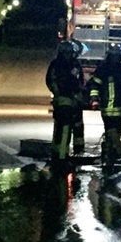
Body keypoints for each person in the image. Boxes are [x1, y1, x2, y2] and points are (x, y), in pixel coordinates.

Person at [89, 43, 121, 165]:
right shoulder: (102, 70)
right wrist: (94, 99)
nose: (116, 59)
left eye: (118, 56)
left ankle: (114, 155)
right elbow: (95, 85)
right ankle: (108, 155)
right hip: (107, 108)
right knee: (110, 133)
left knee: (117, 134)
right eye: (114, 56)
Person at [45, 40, 85, 172]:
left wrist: (56, 93)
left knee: (59, 129)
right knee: (65, 130)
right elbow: (76, 83)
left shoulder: (55, 64)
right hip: (67, 101)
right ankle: (62, 158)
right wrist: (76, 96)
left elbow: (49, 81)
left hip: (61, 100)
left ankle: (57, 154)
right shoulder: (72, 65)